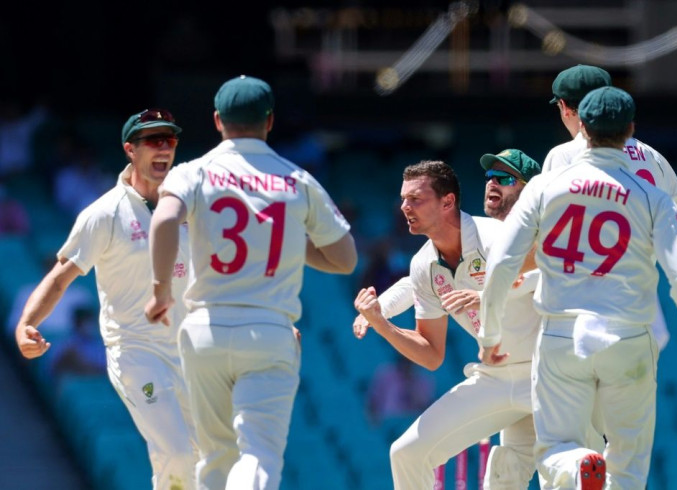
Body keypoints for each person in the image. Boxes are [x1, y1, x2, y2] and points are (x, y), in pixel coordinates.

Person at [479, 86, 677, 490]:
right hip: (629, 337)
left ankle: (577, 467)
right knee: (627, 467)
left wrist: (489, 334)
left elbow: (504, 262)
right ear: (630, 130)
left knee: (557, 449)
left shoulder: (545, 185)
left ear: (584, 131)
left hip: (560, 334)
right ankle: (591, 470)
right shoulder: (654, 198)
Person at [144, 74, 358, 490]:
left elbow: (165, 219)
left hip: (204, 330)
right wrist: (294, 245)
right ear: (270, 121)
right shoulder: (298, 180)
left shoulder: (194, 172)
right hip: (268, 333)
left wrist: (160, 289)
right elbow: (345, 259)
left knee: (216, 455)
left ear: (217, 120)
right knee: (257, 452)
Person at [15, 108, 198, 490]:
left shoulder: (190, 207)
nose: (164, 148)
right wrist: (26, 324)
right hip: (136, 353)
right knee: (177, 452)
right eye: (153, 140)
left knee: (201, 460)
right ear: (130, 149)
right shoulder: (104, 213)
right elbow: (60, 277)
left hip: (188, 351)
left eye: (170, 140)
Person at [353, 155, 542, 490]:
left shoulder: (496, 235)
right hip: (495, 377)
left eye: (415, 199)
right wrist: (381, 321)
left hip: (548, 373)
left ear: (448, 202)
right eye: (402, 199)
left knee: (562, 472)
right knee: (406, 453)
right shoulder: (423, 264)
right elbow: (431, 355)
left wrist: (486, 297)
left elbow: (546, 271)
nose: (404, 207)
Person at [544, 63, 677, 352]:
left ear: (565, 107)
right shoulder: (653, 156)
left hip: (588, 311)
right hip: (642, 313)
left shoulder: (563, 156)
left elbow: (550, 235)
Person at [366, 353, 435, 426]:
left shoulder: (423, 382)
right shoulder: (387, 374)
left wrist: (412, 387)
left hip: (411, 424)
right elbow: (373, 400)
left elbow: (425, 408)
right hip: (388, 424)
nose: (408, 364)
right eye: (406, 360)